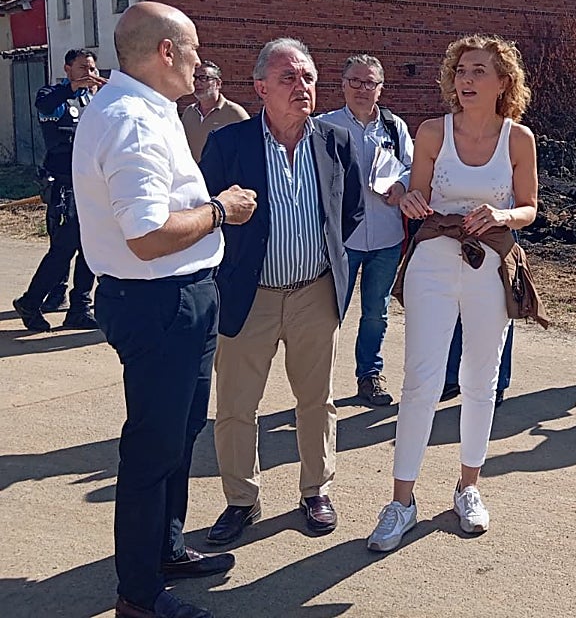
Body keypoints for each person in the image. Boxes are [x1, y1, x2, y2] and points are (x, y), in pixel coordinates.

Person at [73, 2, 257, 618]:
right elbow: (146, 234)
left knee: (181, 434)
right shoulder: (132, 120)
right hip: (159, 301)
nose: (203, 61)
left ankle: (165, 548)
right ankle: (139, 595)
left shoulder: (149, 109)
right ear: (166, 53)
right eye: (195, 48)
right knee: (154, 448)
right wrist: (221, 210)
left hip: (177, 296)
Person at [367, 34, 538, 552]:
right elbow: (414, 191)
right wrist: (413, 198)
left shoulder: (518, 139)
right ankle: (401, 502)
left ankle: (469, 489)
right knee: (421, 379)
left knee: (481, 380)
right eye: (461, 70)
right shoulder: (431, 132)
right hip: (433, 261)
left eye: (479, 71)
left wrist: (503, 214)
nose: (466, 80)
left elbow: (529, 206)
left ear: (503, 81)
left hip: (490, 265)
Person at [199, 38, 363, 546]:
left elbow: (350, 210)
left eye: (309, 77)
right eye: (289, 78)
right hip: (251, 294)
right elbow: (207, 213)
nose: (302, 87)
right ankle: (242, 501)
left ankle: (316, 490)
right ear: (260, 88)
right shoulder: (230, 144)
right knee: (235, 405)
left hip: (315, 291)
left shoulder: (335, 141)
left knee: (317, 400)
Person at [317, 54, 413, 406]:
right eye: (354, 81)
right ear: (342, 85)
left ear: (380, 88)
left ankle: (369, 376)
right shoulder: (324, 126)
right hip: (341, 239)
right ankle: (317, 382)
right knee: (330, 312)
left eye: (369, 82)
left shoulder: (393, 127)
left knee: (377, 311)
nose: (361, 89)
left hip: (386, 238)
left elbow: (412, 167)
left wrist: (402, 185)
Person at [12, 48, 103, 332]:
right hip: (65, 186)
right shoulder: (54, 95)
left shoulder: (94, 98)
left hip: (90, 184)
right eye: (82, 68)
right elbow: (45, 105)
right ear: (68, 69)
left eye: (92, 68)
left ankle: (79, 307)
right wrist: (72, 89)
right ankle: (32, 301)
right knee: (63, 249)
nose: (89, 73)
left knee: (90, 248)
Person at [180, 60, 250, 162]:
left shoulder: (235, 113)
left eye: (204, 78)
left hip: (222, 176)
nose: (197, 82)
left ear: (218, 83)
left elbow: (248, 148)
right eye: (194, 77)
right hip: (191, 176)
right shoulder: (189, 112)